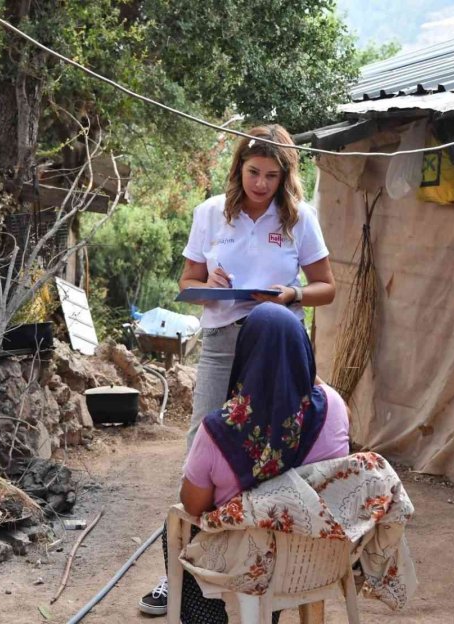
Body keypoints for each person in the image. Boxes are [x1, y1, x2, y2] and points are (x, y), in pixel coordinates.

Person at [140, 124, 336, 615]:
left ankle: (273, 567)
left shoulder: (299, 218)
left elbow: (327, 287)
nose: (261, 184)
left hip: (277, 343)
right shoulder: (210, 212)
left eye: (272, 175)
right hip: (223, 340)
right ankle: (183, 574)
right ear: (238, 168)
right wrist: (207, 284)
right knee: (201, 447)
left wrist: (291, 294)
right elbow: (186, 283)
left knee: (280, 447)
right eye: (253, 172)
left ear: (285, 176)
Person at [148, 303, 351, 622]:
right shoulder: (335, 408)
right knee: (280, 526)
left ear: (244, 355)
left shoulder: (217, 431)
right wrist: (294, 364)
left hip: (248, 564)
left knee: (176, 529)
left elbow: (193, 505)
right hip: (314, 555)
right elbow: (321, 390)